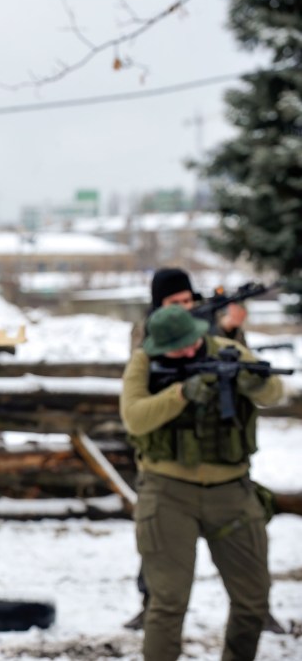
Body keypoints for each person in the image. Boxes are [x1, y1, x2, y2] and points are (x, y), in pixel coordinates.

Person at [120, 305, 283, 660]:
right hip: (167, 492)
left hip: (231, 491)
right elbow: (134, 418)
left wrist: (254, 383)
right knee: (167, 603)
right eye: (176, 348)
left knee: (253, 599)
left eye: (191, 342)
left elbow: (275, 392)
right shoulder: (144, 362)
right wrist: (180, 394)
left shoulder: (228, 350)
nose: (188, 351)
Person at [124, 267, 250, 631]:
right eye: (173, 303)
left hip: (217, 446)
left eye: (187, 302)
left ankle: (254, 606)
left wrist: (228, 330)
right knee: (159, 545)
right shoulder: (148, 330)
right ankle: (151, 603)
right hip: (166, 452)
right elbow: (154, 367)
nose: (183, 309)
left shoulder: (210, 322)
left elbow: (240, 365)